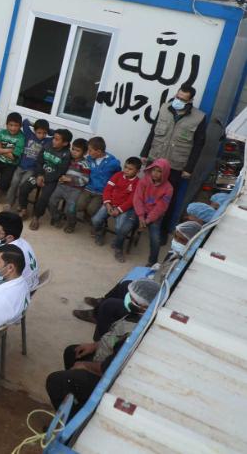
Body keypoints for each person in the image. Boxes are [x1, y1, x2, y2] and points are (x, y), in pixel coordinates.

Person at [45, 279, 158, 409]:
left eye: (131, 298)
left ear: (144, 307)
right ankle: (76, 396)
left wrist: (85, 366)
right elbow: (114, 337)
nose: (126, 298)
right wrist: (96, 345)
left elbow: (109, 369)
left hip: (108, 377)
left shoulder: (133, 336)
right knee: (72, 352)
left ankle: (73, 420)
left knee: (55, 381)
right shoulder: (135, 316)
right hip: (106, 358)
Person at [73, 222, 201, 336]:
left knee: (110, 305)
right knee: (125, 284)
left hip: (155, 302)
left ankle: (100, 336)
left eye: (181, 240)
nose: (176, 241)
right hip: (155, 286)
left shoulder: (185, 264)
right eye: (175, 237)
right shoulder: (177, 253)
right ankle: (98, 309)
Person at [141, 84, 205, 237]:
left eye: (183, 99)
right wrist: (145, 153)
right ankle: (140, 222)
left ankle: (162, 232)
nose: (178, 100)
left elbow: (198, 144)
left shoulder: (199, 117)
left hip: (176, 165)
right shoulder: (164, 108)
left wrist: (189, 168)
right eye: (177, 97)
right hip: (155, 160)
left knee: (169, 199)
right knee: (146, 192)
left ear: (190, 100)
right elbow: (153, 130)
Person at [16, 128, 73, 230]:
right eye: (53, 138)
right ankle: (24, 209)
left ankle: (36, 217)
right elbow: (39, 162)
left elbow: (61, 172)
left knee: (44, 198)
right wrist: (40, 175)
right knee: (24, 187)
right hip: (39, 175)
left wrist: (45, 179)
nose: (53, 141)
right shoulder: (47, 146)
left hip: (52, 180)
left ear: (65, 143)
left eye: (57, 139)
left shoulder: (66, 154)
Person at [135, 158, 174, 266]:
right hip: (140, 211)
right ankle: (118, 246)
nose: (155, 174)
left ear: (165, 173)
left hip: (155, 216)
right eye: (154, 170)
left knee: (155, 239)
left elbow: (161, 207)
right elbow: (138, 198)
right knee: (125, 225)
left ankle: (152, 262)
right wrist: (141, 216)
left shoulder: (168, 188)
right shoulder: (144, 180)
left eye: (160, 171)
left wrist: (147, 220)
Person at [5, 119, 52, 210]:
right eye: (39, 132)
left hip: (32, 169)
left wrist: (48, 129)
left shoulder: (47, 141)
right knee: (14, 183)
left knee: (23, 184)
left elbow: (57, 134)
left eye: (44, 133)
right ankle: (9, 203)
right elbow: (25, 122)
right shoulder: (29, 135)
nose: (41, 135)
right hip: (20, 166)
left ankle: (20, 204)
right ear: (35, 130)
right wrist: (36, 124)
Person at [47, 138, 90, 231]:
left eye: (77, 151)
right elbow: (59, 169)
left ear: (85, 152)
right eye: (73, 149)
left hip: (75, 190)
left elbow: (85, 180)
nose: (74, 152)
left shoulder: (85, 164)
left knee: (70, 209)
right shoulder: (67, 159)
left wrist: (71, 179)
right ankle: (57, 216)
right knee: (51, 201)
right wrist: (60, 177)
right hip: (62, 185)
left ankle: (71, 223)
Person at [76, 137, 121, 224]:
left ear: (99, 152)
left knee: (92, 209)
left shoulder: (113, 163)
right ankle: (86, 214)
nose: (88, 153)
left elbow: (117, 176)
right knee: (78, 205)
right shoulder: (89, 159)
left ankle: (92, 219)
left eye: (90, 150)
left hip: (101, 192)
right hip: (88, 188)